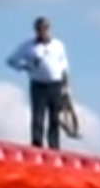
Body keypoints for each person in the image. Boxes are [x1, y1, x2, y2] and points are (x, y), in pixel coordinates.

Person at [5, 16, 70, 150]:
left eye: (44, 28)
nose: (42, 31)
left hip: (55, 85)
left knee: (54, 119)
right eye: (39, 29)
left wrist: (66, 88)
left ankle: (54, 146)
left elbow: (64, 67)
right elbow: (11, 60)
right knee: (38, 118)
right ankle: (37, 145)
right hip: (38, 85)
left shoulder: (58, 45)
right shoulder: (29, 46)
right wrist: (26, 66)